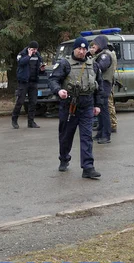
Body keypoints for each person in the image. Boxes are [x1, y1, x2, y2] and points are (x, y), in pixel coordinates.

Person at [48, 36, 103, 179]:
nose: (82, 51)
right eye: (79, 48)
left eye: (85, 49)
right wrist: (59, 91)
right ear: (75, 49)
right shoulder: (65, 64)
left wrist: (97, 105)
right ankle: (64, 158)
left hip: (87, 104)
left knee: (87, 137)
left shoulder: (93, 65)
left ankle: (88, 167)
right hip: (69, 105)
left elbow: (99, 86)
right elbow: (53, 80)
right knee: (66, 136)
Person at [11, 41, 45, 129]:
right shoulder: (22, 54)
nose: (34, 51)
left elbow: (40, 65)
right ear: (29, 48)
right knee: (20, 101)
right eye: (33, 49)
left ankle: (31, 122)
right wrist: (29, 55)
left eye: (36, 49)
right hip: (24, 82)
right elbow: (21, 63)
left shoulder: (37, 55)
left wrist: (41, 69)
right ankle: (14, 120)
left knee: (33, 102)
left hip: (33, 82)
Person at [92, 35, 117, 144]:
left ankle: (106, 135)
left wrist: (91, 61)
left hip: (104, 84)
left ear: (101, 44)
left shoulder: (105, 56)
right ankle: (100, 133)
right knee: (100, 110)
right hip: (102, 83)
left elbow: (100, 67)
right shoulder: (103, 54)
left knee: (104, 110)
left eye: (95, 44)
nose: (93, 46)